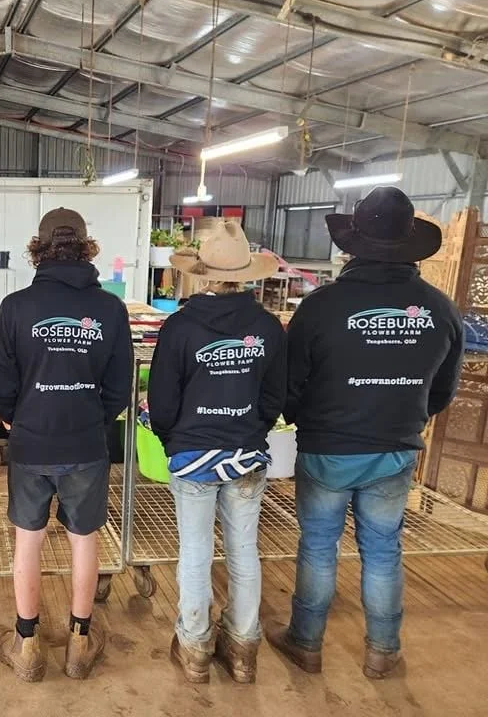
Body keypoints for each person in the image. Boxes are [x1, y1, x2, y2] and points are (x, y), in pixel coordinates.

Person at [267, 186, 464, 679]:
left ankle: (306, 643)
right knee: (383, 549)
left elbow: (290, 384)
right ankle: (383, 650)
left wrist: (305, 419)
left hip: (328, 448)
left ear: (353, 244)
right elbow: (444, 389)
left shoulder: (322, 306)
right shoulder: (439, 309)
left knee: (317, 545)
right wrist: (405, 418)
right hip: (395, 449)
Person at [0, 208, 133, 682]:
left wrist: (18, 420)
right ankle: (79, 642)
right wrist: (92, 419)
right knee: (83, 540)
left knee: (28, 541)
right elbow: (119, 386)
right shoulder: (110, 309)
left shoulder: (15, 307)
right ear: (86, 247)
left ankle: (27, 645)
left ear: (40, 249)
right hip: (88, 442)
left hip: (30, 442)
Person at [147, 220, 286, 684]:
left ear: (202, 274)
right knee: (245, 552)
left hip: (193, 457)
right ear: (246, 274)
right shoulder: (267, 326)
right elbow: (274, 396)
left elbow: (162, 402)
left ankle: (195, 647)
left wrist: (175, 442)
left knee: (195, 553)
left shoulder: (180, 327)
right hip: (247, 453)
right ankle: (244, 649)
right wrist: (250, 431)